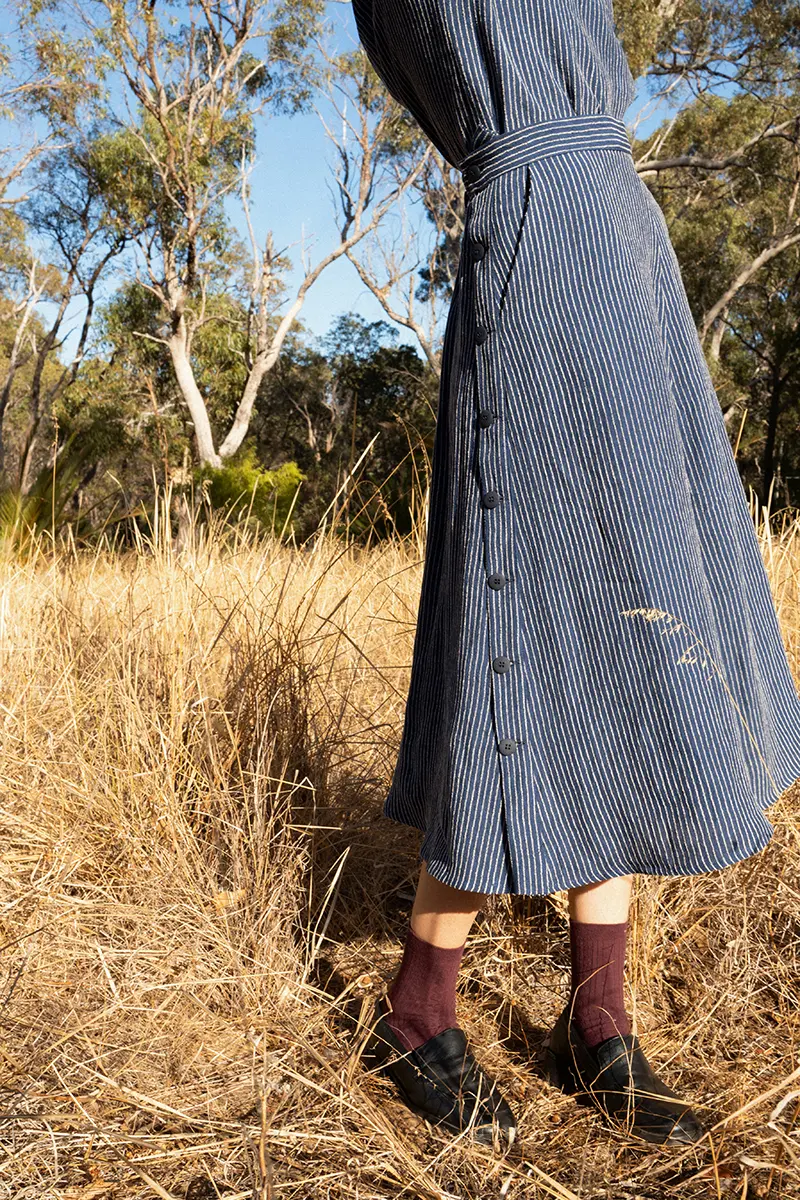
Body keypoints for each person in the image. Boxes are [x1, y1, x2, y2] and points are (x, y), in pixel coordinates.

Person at [351, 0, 800, 1147]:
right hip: (540, 232)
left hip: (619, 235)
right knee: (529, 616)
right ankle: (419, 1005)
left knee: (628, 615)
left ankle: (599, 1020)